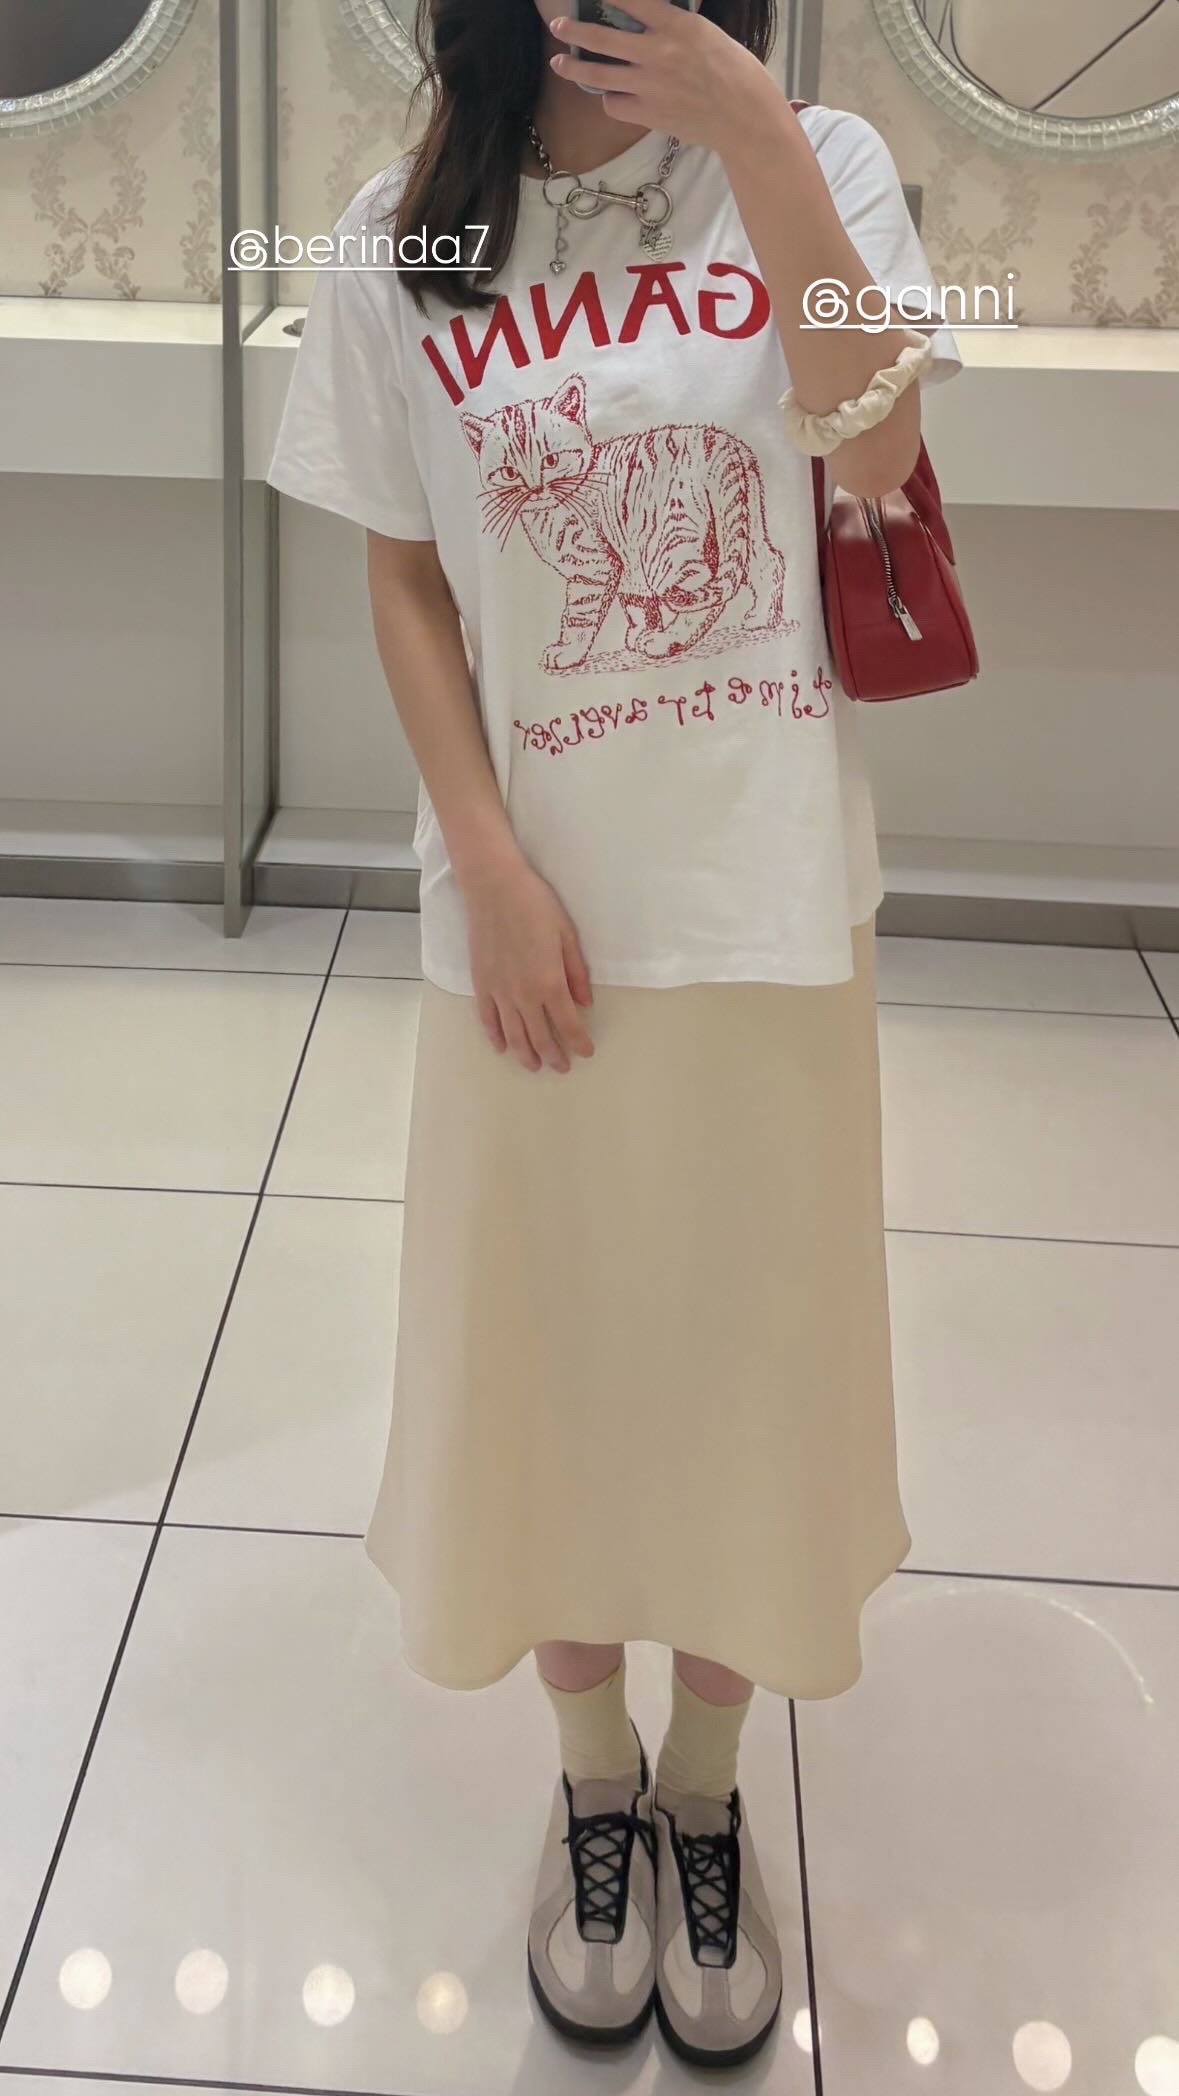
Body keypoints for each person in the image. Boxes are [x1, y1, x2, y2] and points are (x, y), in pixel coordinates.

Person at [267, 0, 960, 2069]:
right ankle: (593, 1783)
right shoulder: (400, 228)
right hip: (528, 921)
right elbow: (406, 579)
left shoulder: (814, 171)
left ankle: (707, 1793)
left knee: (749, 1362)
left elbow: (876, 455)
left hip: (758, 897)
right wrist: (485, 863)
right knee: (549, 1354)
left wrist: (753, 133)